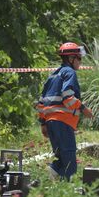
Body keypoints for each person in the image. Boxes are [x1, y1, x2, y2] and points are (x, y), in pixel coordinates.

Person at [37, 42, 93, 180]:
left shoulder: (52, 75)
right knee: (70, 164)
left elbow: (41, 102)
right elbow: (68, 97)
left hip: (51, 122)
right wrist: (84, 109)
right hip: (63, 122)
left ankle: (49, 181)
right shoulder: (70, 72)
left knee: (62, 159)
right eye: (79, 58)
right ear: (71, 58)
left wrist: (43, 123)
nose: (80, 61)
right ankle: (65, 190)